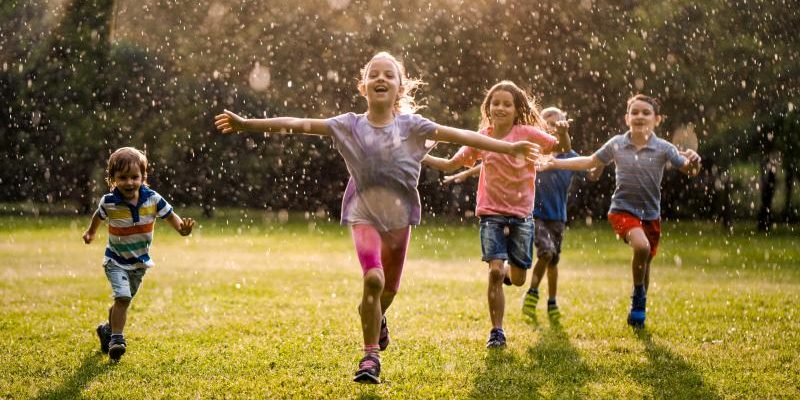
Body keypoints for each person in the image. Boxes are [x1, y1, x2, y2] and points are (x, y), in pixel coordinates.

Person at [213, 53, 540, 383]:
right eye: (374, 74)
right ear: (364, 86)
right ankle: (370, 358)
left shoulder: (413, 127)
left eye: (389, 74)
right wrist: (246, 124)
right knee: (373, 279)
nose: (381, 78)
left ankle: (376, 316)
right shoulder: (348, 125)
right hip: (363, 214)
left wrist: (507, 148)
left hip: (400, 222)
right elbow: (297, 124)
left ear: (399, 88)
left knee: (387, 292)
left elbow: (460, 136)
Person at [542, 94, 701, 329]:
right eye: (634, 112)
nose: (639, 116)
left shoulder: (664, 148)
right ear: (627, 118)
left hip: (651, 214)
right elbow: (589, 162)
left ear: (657, 120)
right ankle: (638, 295)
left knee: (645, 263)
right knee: (642, 247)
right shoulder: (616, 143)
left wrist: (695, 162)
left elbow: (689, 170)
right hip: (622, 210)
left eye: (646, 113)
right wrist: (556, 163)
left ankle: (640, 307)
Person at [422, 81, 556, 348]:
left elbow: (555, 146)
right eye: (496, 103)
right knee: (494, 272)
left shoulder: (527, 134)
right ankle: (497, 331)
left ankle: (508, 271)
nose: (501, 107)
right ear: (488, 107)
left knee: (517, 279)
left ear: (517, 109)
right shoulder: (482, 137)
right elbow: (451, 164)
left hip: (521, 217)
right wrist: (420, 156)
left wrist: (563, 134)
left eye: (507, 103)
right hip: (491, 214)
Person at [443, 107, 601, 322]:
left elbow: (589, 166)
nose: (553, 126)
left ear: (565, 125)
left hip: (558, 216)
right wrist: (465, 172)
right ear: (541, 126)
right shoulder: (532, 151)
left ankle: (551, 301)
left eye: (558, 123)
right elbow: (494, 162)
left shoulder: (568, 155)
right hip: (532, 214)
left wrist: (598, 165)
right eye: (549, 123)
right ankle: (533, 292)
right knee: (546, 252)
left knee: (553, 260)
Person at [83, 147, 195, 361]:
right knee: (123, 297)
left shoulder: (153, 199)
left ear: (144, 177)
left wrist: (182, 229)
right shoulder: (109, 201)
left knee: (122, 301)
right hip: (115, 260)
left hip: (139, 262)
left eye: (134, 177)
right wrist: (90, 232)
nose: (129, 182)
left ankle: (106, 330)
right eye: (122, 178)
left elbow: (170, 216)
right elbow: (99, 216)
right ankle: (117, 339)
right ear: (113, 179)